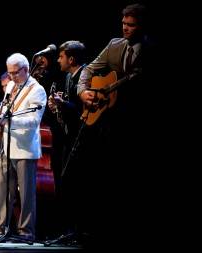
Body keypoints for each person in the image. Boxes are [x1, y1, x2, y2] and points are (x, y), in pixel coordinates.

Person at [76, 3, 154, 247]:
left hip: (139, 125)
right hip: (109, 125)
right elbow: (89, 69)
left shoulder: (151, 50)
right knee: (107, 178)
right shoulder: (114, 45)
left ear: (142, 26)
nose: (126, 28)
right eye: (124, 23)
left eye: (131, 25)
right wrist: (82, 92)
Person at [0, 53, 47, 242]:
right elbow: (4, 110)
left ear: (26, 69)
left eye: (15, 73)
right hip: (6, 145)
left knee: (26, 194)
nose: (12, 76)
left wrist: (9, 120)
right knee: (2, 190)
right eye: (10, 72)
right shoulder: (12, 85)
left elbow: (34, 121)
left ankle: (26, 232)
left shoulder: (37, 90)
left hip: (24, 148)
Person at [47, 40, 87, 238]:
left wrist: (64, 104)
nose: (58, 60)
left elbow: (83, 110)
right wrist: (57, 108)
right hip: (68, 138)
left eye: (61, 56)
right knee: (65, 184)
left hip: (82, 139)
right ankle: (68, 230)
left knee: (76, 185)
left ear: (71, 59)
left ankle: (78, 231)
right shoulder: (68, 77)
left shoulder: (84, 76)